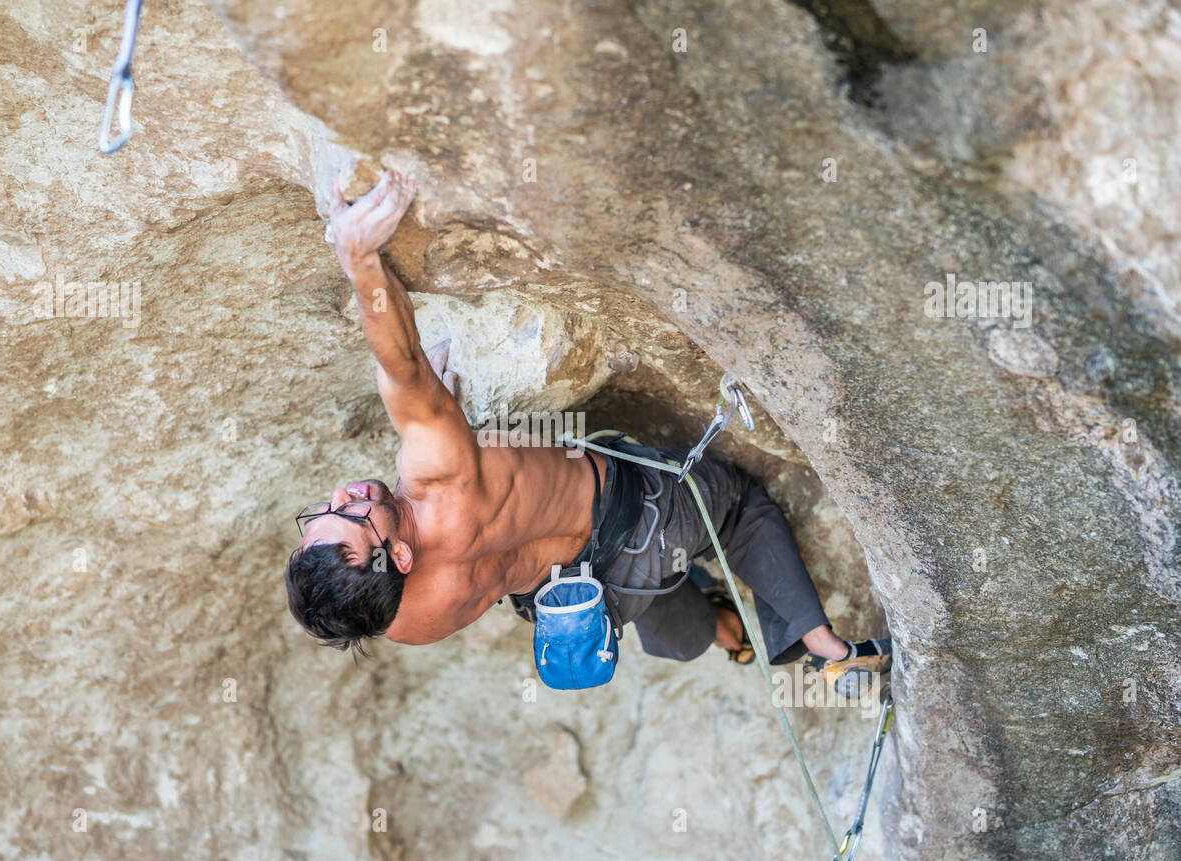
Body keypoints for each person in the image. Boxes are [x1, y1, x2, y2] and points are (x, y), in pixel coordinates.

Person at [285, 169, 890, 692]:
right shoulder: (439, 475)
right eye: (356, 515)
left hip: (585, 599)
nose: (344, 495)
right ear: (399, 554)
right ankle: (827, 650)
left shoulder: (404, 621)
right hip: (644, 519)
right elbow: (403, 364)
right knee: (738, 508)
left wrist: (431, 443)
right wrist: (360, 258)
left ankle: (724, 631)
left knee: (671, 618)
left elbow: (454, 547)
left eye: (320, 513)